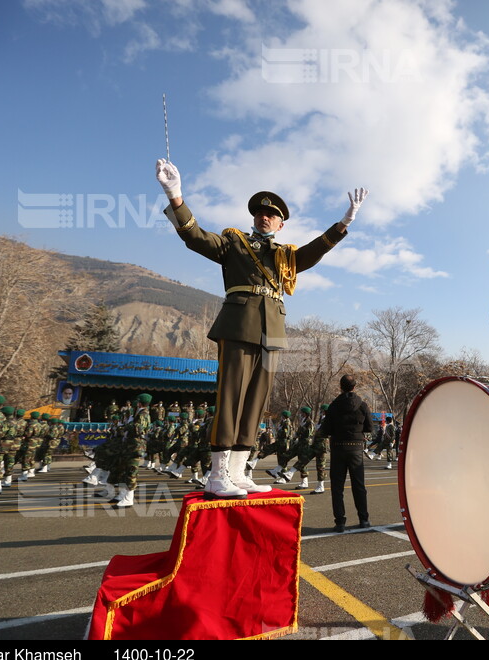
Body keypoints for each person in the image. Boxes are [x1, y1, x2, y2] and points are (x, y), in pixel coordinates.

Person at [156, 159, 367, 499]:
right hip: (239, 326)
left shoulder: (285, 255)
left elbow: (313, 252)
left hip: (271, 332)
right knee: (231, 398)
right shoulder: (235, 242)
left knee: (255, 401)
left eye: (271, 215)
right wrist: (176, 196)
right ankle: (216, 474)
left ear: (281, 224)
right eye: (260, 213)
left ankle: (238, 472)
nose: (264, 217)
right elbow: (196, 238)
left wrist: (344, 223)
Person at [319, 375, 373, 533]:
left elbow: (325, 430)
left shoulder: (334, 406)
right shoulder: (362, 405)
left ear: (341, 387)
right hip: (356, 448)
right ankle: (364, 519)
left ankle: (340, 522)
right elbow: (369, 427)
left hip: (338, 448)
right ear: (354, 387)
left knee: (337, 488)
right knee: (359, 486)